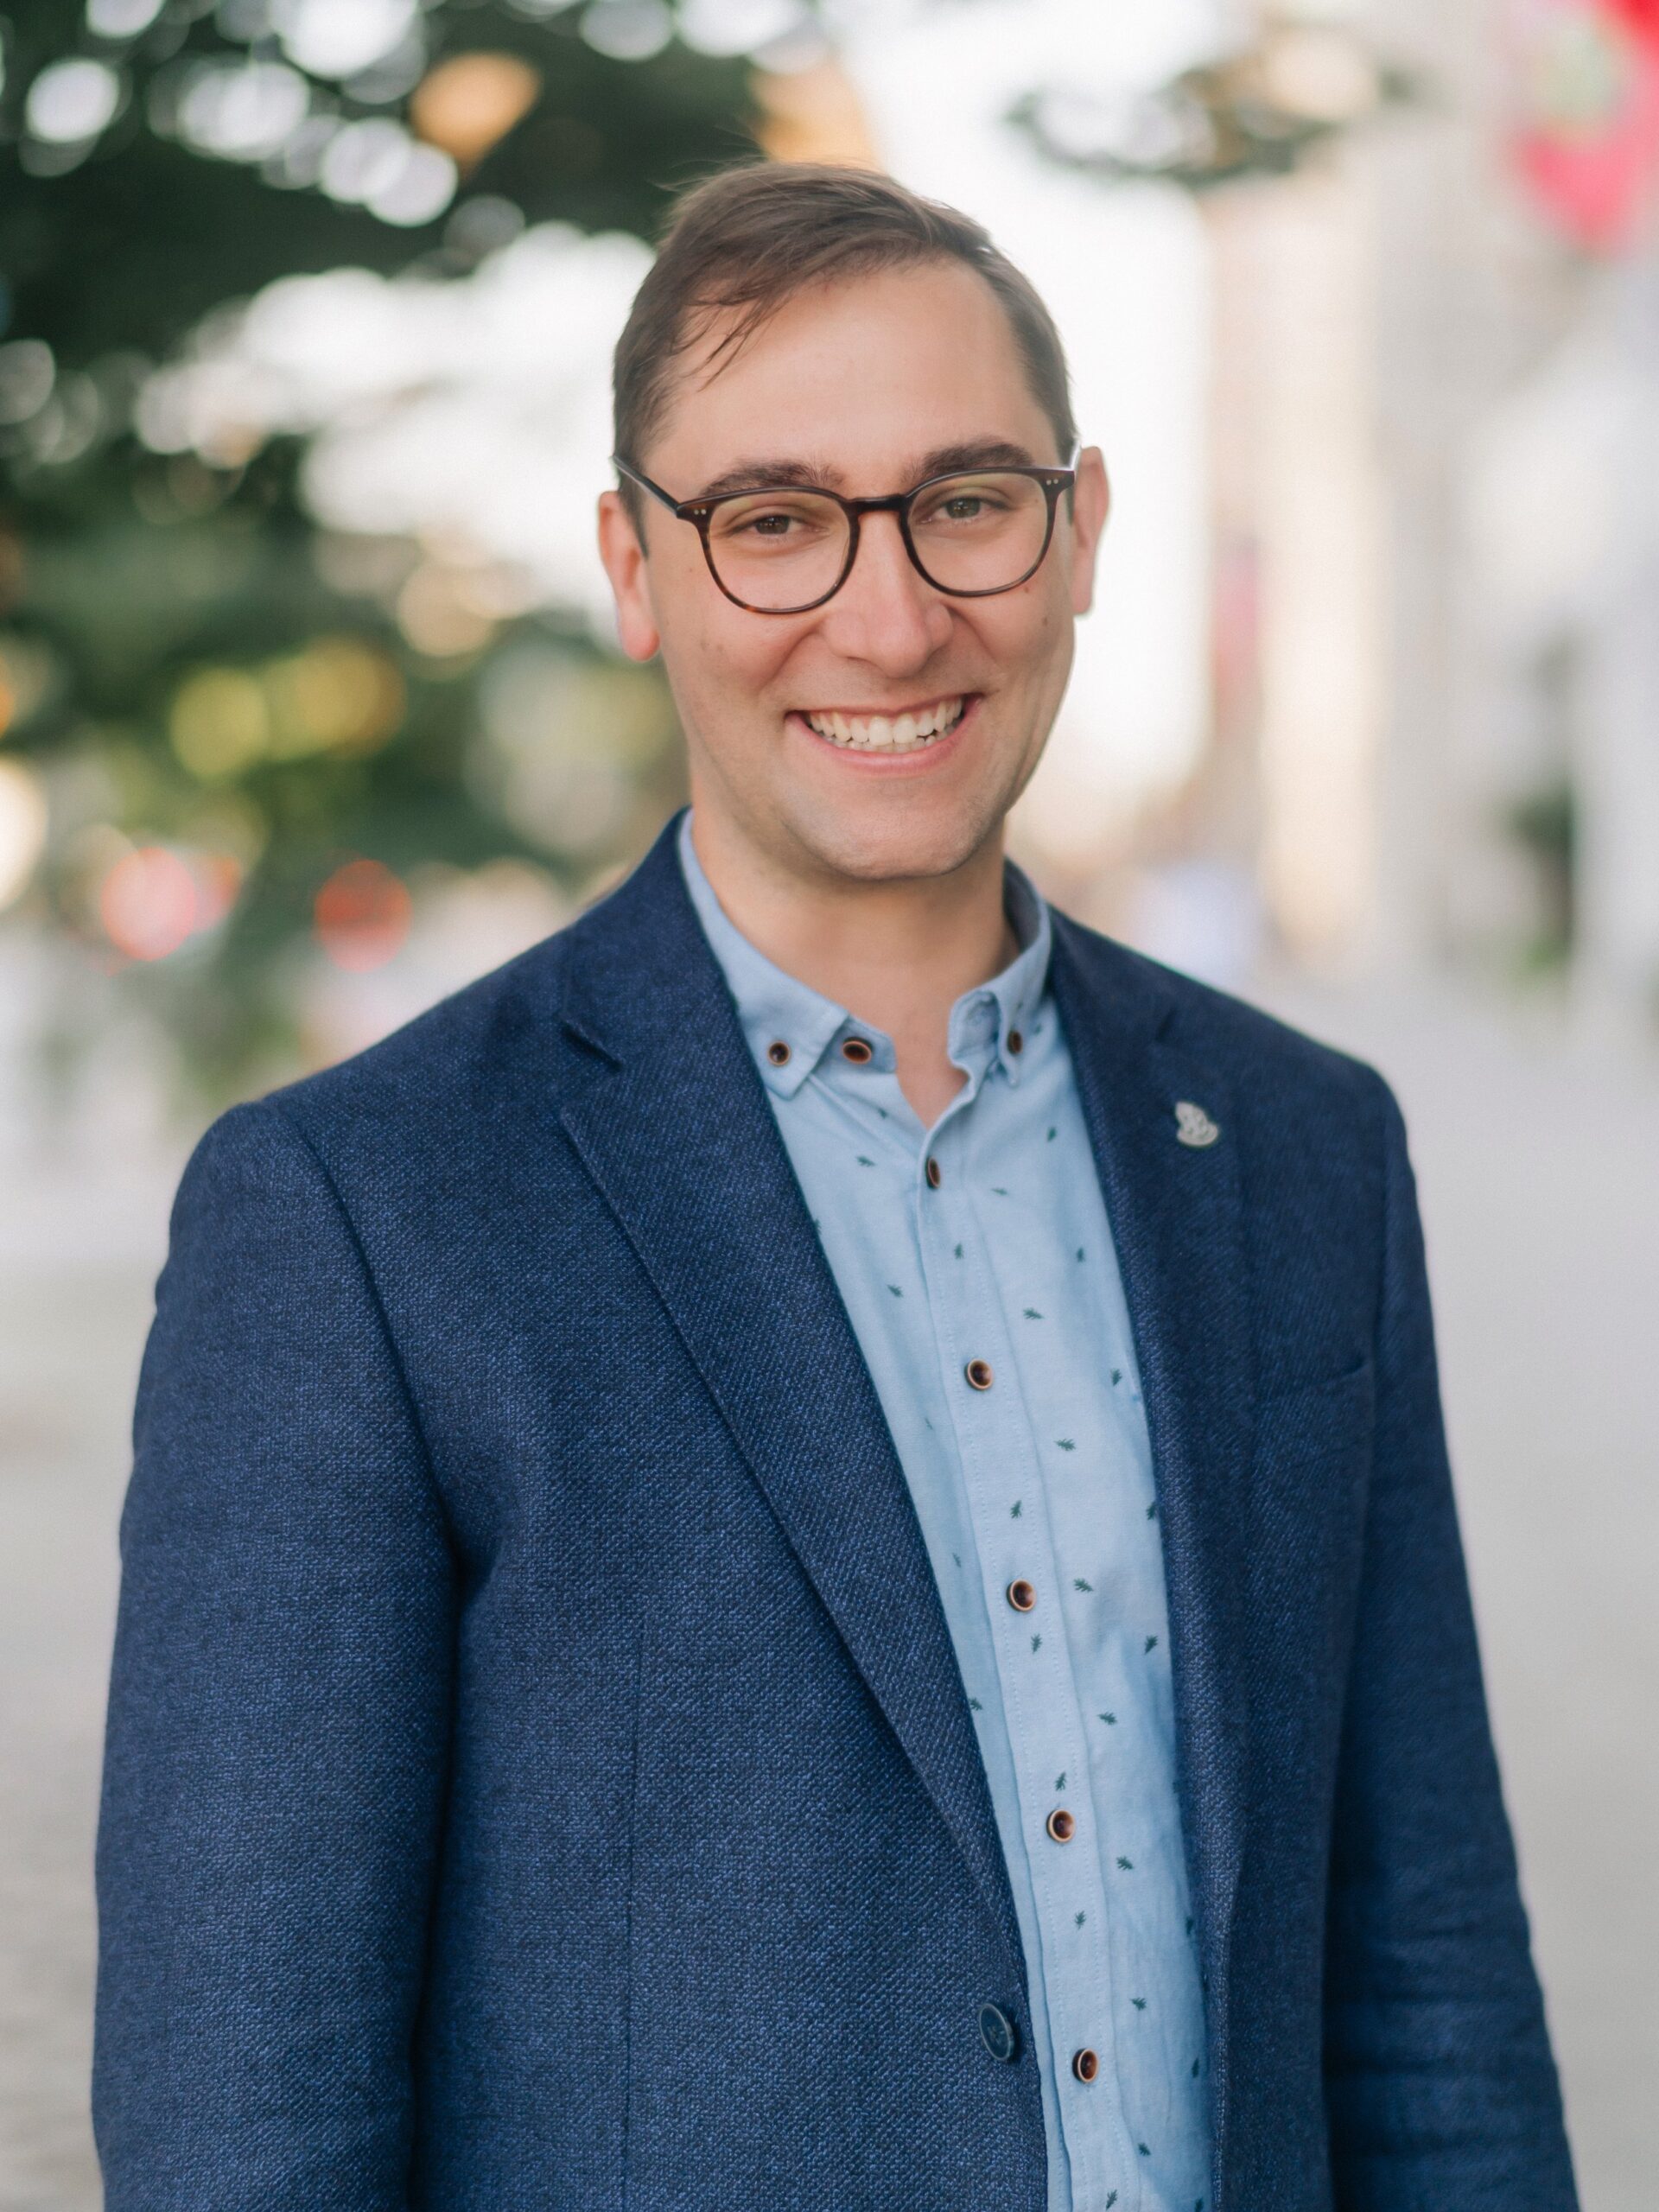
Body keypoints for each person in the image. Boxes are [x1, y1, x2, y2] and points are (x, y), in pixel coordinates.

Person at [92, 163, 1578, 2212]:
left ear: (1080, 532)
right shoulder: (356, 1215)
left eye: (966, 499)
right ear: (636, 564)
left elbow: (1425, 1979)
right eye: (775, 521)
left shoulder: (1311, 1147)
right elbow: (245, 2117)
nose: (891, 617)